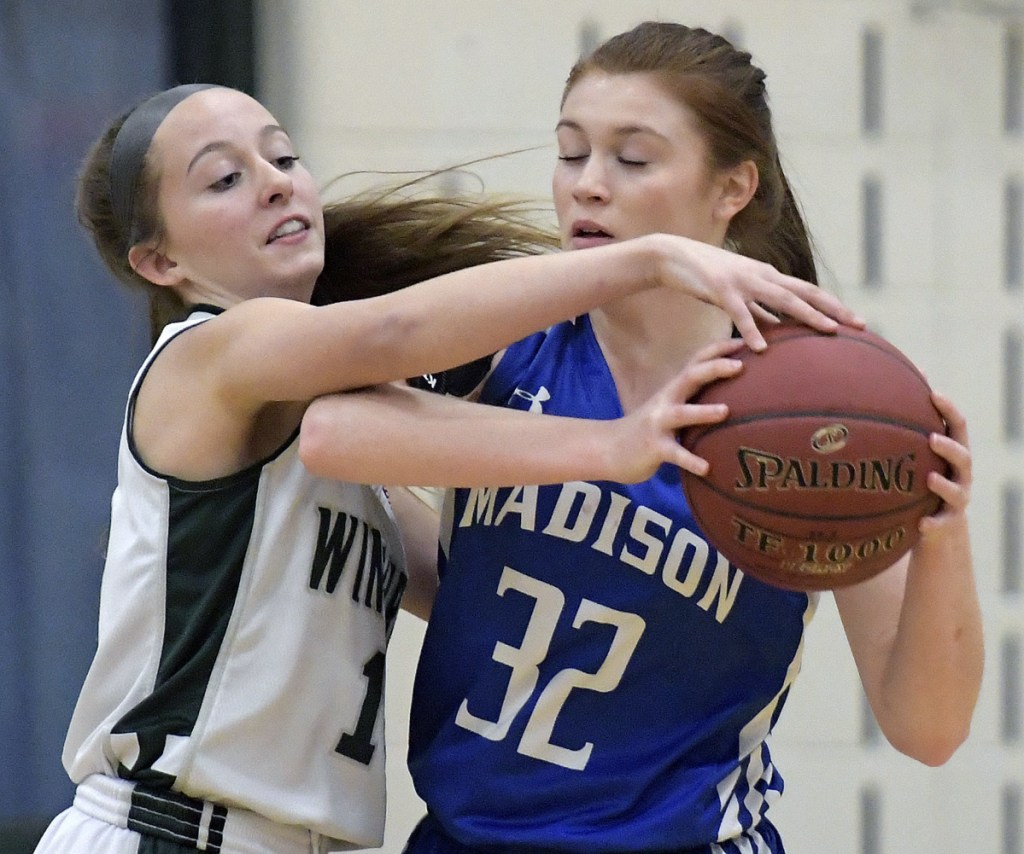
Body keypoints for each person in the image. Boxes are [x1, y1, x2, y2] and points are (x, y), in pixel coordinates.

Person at [34, 82, 859, 854]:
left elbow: (479, 580)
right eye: (223, 180)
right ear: (161, 264)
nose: (277, 184)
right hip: (167, 831)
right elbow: (392, 333)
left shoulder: (351, 449)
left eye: (283, 158)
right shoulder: (205, 355)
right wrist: (648, 263)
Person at [300, 21, 984, 854]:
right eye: (569, 152)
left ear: (732, 188)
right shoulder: (513, 337)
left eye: (632, 159)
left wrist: (943, 537)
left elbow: (929, 729)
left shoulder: (809, 408)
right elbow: (332, 431)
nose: (588, 185)